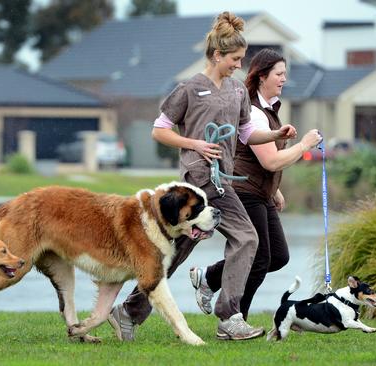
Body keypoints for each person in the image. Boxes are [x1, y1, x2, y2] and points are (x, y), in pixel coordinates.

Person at [108, 11, 297, 341]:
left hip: (222, 182)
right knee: (208, 247)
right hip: (195, 184)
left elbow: (246, 133)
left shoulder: (237, 91)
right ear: (217, 55)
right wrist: (194, 143)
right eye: (235, 59)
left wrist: (275, 134)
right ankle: (141, 312)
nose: (239, 65)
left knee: (225, 242)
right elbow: (160, 130)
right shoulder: (189, 89)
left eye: (241, 59)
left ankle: (218, 316)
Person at [188, 48, 322, 320]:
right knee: (259, 259)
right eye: (279, 74)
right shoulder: (256, 112)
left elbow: (264, 161)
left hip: (261, 193)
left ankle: (210, 278)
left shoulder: (269, 109)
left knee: (279, 257)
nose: (284, 79)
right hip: (243, 192)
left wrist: (276, 190)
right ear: (262, 77)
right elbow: (271, 162)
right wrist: (305, 145)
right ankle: (235, 318)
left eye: (285, 74)